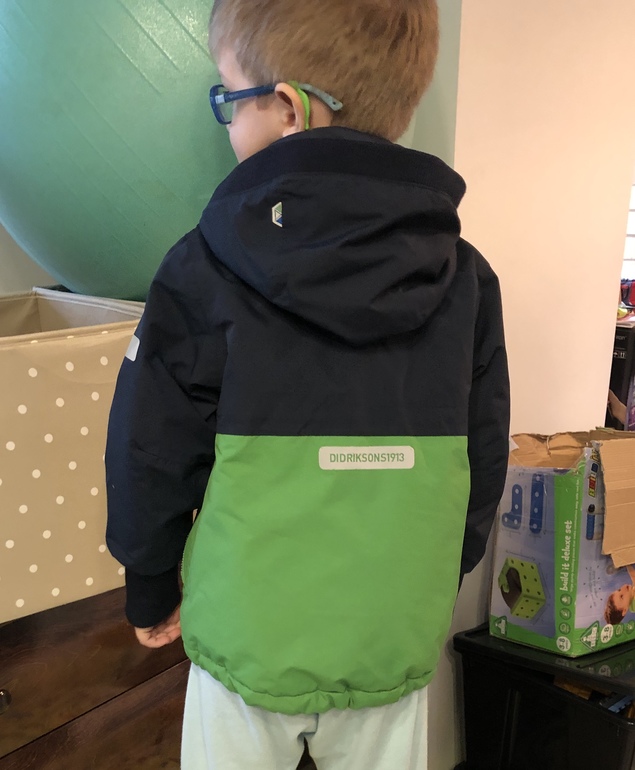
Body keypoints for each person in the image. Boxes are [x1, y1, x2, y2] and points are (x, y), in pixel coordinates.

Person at [105, 1, 511, 768]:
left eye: (228, 98)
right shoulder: (464, 278)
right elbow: (483, 456)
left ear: (287, 108)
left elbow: (148, 447)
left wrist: (149, 582)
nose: (226, 121)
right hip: (390, 631)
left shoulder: (203, 265)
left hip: (247, 631)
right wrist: (437, 576)